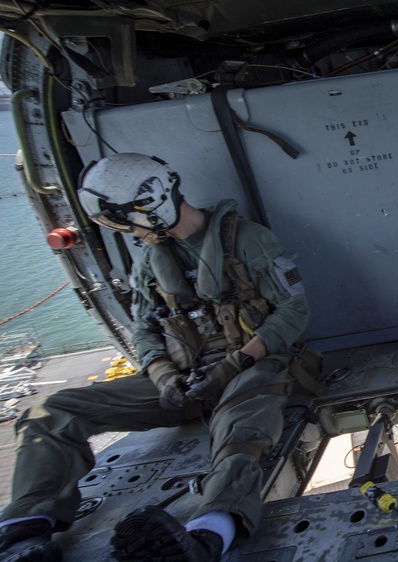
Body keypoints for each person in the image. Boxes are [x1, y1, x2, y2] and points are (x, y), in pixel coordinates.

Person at [0, 153, 314, 562]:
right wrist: (163, 374)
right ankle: (24, 530)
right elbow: (144, 327)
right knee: (51, 413)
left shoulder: (249, 241)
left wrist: (233, 365)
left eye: (129, 222)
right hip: (180, 377)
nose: (130, 233)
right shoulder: (150, 258)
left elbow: (294, 312)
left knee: (242, 432)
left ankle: (209, 533)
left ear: (152, 204)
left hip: (250, 367)